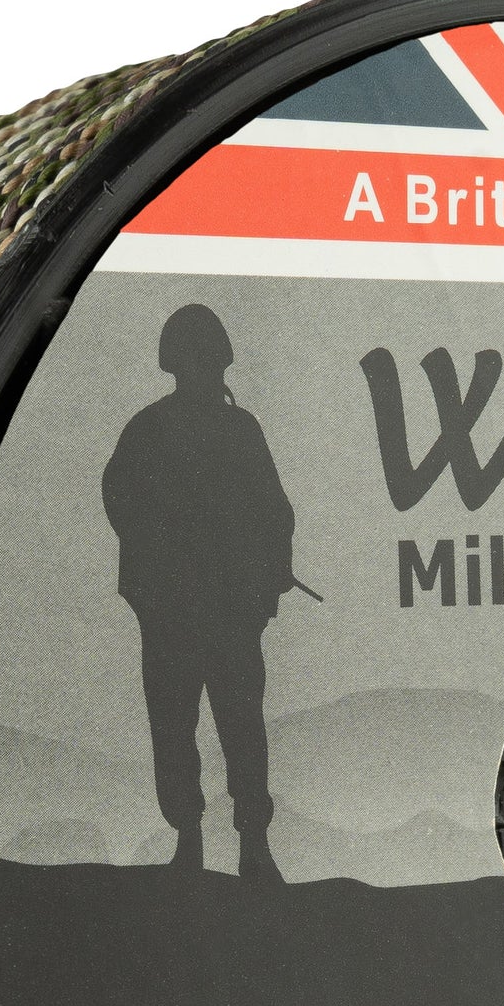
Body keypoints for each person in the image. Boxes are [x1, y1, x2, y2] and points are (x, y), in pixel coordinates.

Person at [101, 304, 295, 880]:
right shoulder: (153, 430)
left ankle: (250, 843)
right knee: (180, 725)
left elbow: (276, 514)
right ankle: (195, 840)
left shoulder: (235, 430)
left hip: (225, 608)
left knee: (235, 727)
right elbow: (121, 500)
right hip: (174, 609)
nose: (205, 370)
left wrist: (269, 575)